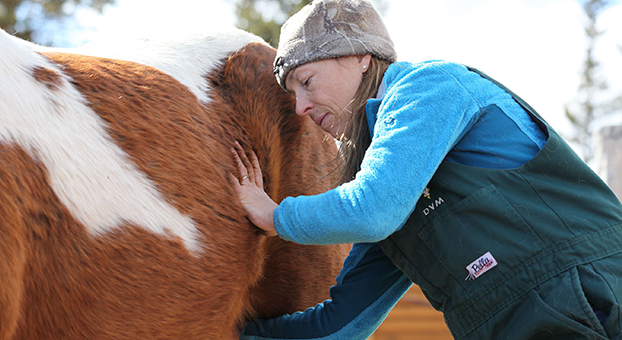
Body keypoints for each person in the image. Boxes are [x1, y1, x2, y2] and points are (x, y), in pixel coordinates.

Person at [229, 0, 622, 339]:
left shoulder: (429, 86)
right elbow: (341, 326)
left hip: (594, 307)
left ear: (359, 57)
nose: (300, 107)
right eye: (293, 94)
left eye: (307, 81)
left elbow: (373, 210)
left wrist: (275, 215)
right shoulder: (387, 187)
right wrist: (229, 332)